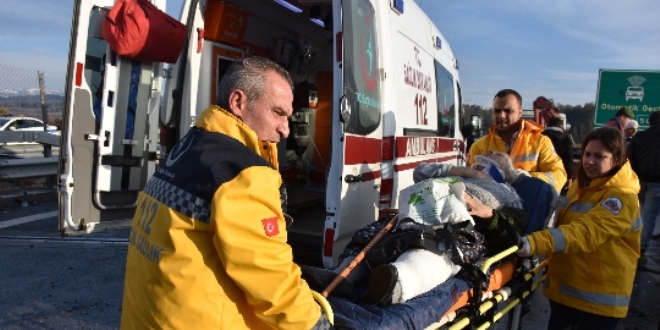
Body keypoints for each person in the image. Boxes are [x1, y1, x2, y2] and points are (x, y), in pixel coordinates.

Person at [120, 57, 333, 330]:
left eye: (288, 117)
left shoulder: (189, 148)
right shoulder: (242, 173)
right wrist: (315, 324)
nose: (285, 128)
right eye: (278, 113)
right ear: (238, 102)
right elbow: (270, 279)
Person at [517, 127, 641, 330]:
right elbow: (563, 222)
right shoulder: (583, 185)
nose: (590, 161)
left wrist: (534, 242)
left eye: (599, 156)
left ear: (617, 159)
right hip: (567, 292)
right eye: (587, 154)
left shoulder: (621, 198)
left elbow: (586, 233)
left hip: (597, 303)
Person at [469, 89, 567, 194]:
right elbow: (469, 180)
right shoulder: (479, 147)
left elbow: (559, 175)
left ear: (520, 113)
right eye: (497, 111)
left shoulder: (540, 142)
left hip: (530, 206)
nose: (501, 115)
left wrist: (524, 178)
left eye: (508, 111)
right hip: (492, 208)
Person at [628, 111, 660, 264]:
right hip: (657, 183)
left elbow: (628, 159)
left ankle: (628, 246)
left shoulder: (638, 137)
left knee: (634, 214)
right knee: (648, 217)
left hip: (637, 181)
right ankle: (640, 251)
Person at [543, 116, 575, 194]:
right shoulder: (566, 139)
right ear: (560, 126)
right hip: (560, 176)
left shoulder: (540, 136)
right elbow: (569, 159)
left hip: (542, 175)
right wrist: (570, 177)